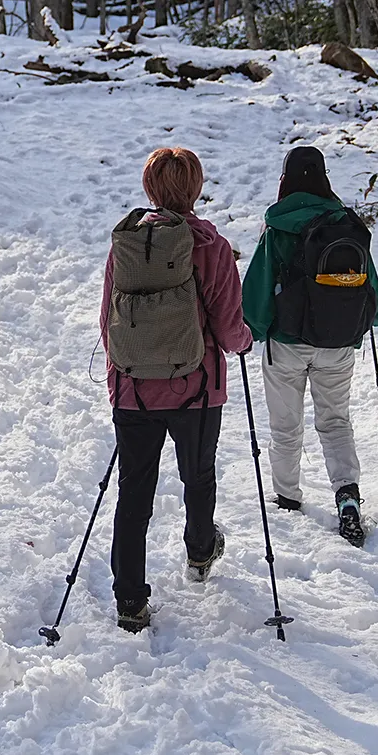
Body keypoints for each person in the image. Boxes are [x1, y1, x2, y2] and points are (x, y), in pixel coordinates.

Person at [99, 146, 251, 633]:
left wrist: (125, 370)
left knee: (133, 491)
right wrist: (246, 340)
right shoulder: (210, 245)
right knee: (198, 475)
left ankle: (129, 599)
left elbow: (108, 321)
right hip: (196, 390)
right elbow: (228, 327)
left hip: (134, 390)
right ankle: (201, 551)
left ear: (150, 189)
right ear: (196, 188)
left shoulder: (127, 244)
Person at [241, 145, 378, 546]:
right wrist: (369, 319)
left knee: (286, 426)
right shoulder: (344, 225)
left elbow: (256, 292)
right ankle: (347, 495)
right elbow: (373, 294)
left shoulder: (277, 229)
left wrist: (254, 329)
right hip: (337, 343)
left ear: (284, 181)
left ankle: (288, 496)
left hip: (286, 345)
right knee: (335, 421)